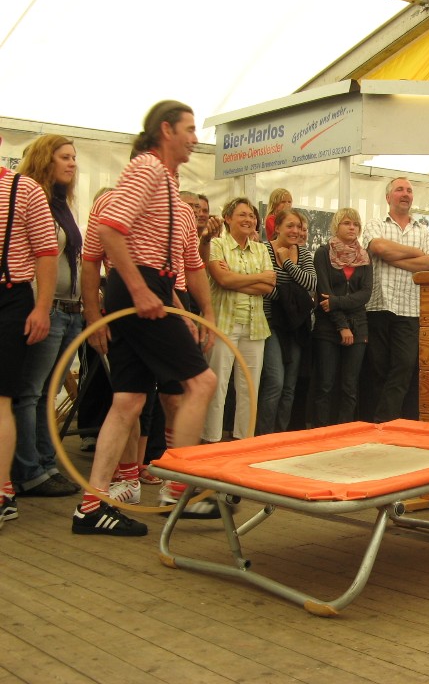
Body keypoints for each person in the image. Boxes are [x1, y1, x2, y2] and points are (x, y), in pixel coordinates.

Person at [73, 100, 217, 534]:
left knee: (129, 400)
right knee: (201, 383)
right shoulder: (148, 168)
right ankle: (179, 486)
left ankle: (91, 506)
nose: (195, 138)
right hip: (140, 289)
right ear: (166, 130)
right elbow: (109, 229)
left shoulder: (167, 182)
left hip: (151, 287)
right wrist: (139, 289)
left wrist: (187, 308)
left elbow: (175, 260)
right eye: (189, 129)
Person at [10, 135, 83, 497]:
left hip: (69, 310)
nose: (72, 163)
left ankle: (46, 463)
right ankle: (29, 470)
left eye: (74, 157)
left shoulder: (62, 203)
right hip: (48, 307)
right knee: (31, 392)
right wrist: (41, 308)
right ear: (45, 160)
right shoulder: (31, 198)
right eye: (64, 157)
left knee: (46, 392)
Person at [0, 139, 58, 531]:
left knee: (2, 397)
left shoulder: (24, 188)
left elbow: (46, 251)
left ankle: (3, 492)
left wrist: (42, 308)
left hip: (11, 298)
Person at [362, 177, 429, 422]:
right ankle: (382, 425)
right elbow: (379, 248)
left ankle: (385, 422)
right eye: (399, 190)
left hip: (410, 310)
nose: (405, 194)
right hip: (378, 306)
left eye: (409, 190)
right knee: (378, 369)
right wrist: (416, 254)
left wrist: (394, 258)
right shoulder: (375, 224)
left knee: (405, 366)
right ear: (388, 197)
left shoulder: (424, 230)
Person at [203, 196, 275, 442]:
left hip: (255, 327)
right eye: (242, 215)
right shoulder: (216, 244)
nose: (249, 220)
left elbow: (269, 285)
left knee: (249, 389)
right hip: (223, 324)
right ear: (227, 218)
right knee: (217, 386)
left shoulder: (261, 249)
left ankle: (243, 442)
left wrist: (234, 279)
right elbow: (222, 280)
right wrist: (256, 278)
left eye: (252, 216)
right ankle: (211, 441)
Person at [256, 208, 315, 435]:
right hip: (270, 323)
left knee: (290, 386)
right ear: (277, 227)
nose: (295, 231)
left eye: (299, 227)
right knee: (275, 382)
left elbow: (311, 284)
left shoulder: (304, 253)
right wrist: (293, 294)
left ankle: (280, 436)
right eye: (290, 225)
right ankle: (264, 437)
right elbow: (263, 287)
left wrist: (287, 263)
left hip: (296, 327)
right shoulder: (263, 250)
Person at [312, 208, 372, 425]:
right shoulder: (323, 253)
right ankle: (321, 432)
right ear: (336, 226)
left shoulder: (365, 257)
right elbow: (324, 293)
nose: (352, 227)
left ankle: (345, 433)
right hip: (328, 326)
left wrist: (337, 302)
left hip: (359, 325)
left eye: (355, 224)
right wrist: (342, 326)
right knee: (325, 385)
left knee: (350, 386)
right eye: (346, 223)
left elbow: (365, 294)